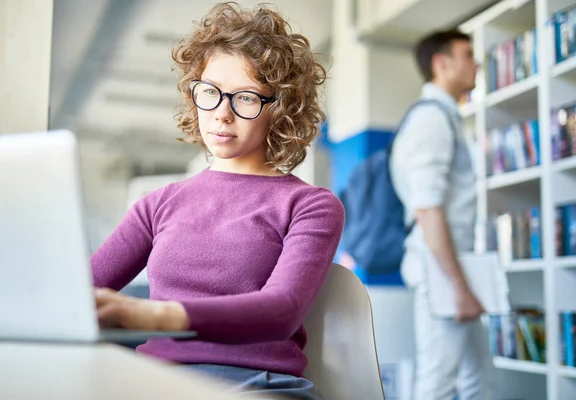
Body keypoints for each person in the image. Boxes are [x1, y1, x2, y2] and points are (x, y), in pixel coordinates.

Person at [91, 3, 344, 399]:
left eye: (244, 98)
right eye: (209, 92)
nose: (222, 114)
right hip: (156, 385)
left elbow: (281, 311)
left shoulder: (311, 206)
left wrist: (149, 315)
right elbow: (78, 292)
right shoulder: (158, 204)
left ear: (280, 109)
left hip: (257, 386)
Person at [389, 30, 493, 400]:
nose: (476, 63)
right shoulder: (431, 120)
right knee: (438, 383)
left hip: (453, 267)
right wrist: (459, 288)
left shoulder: (444, 117)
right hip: (442, 272)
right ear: (441, 63)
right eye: (468, 54)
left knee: (476, 379)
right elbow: (428, 210)